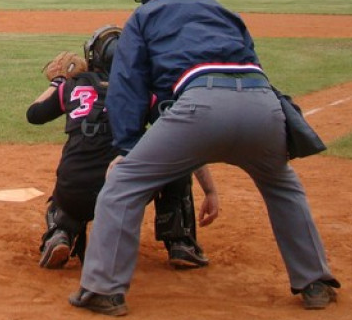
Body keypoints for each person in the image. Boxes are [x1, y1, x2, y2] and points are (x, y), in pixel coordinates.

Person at [70, 0, 339, 317]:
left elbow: (128, 83)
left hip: (201, 106)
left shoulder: (145, 15)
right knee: (283, 186)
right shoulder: (224, 12)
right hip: (263, 105)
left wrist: (127, 146)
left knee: (123, 183)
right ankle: (315, 283)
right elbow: (252, 64)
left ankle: (103, 289)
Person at [26, 25, 218, 270]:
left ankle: (60, 232)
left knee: (72, 170)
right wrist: (210, 191)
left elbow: (34, 114)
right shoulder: (143, 91)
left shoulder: (73, 86)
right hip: (124, 195)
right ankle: (181, 242)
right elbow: (183, 142)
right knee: (175, 162)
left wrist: (59, 82)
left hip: (75, 193)